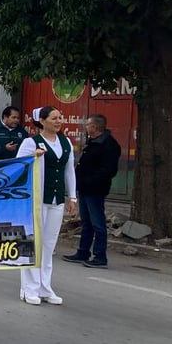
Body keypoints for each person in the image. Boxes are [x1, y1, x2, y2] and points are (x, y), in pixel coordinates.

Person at [17, 106, 76, 306]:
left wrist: (73, 197)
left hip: (56, 199)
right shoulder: (30, 142)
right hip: (36, 200)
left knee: (49, 246)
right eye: (54, 118)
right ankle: (29, 289)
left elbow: (69, 171)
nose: (58, 121)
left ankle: (45, 287)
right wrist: (33, 156)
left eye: (60, 117)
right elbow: (18, 168)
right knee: (34, 244)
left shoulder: (65, 142)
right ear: (42, 121)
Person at [63, 114, 121, 269]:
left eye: (88, 124)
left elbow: (108, 170)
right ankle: (83, 252)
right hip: (85, 188)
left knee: (98, 223)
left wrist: (89, 179)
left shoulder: (108, 144)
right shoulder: (93, 142)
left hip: (95, 189)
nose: (86, 127)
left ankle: (100, 256)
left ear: (95, 127)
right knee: (86, 222)